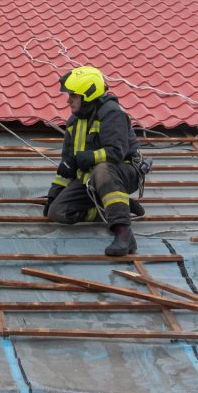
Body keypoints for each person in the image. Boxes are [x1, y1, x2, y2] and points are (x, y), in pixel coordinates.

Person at [44, 66, 147, 256]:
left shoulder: (112, 114)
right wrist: (54, 194)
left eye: (73, 95)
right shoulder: (74, 122)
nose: (68, 100)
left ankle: (124, 234)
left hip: (123, 173)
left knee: (102, 169)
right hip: (90, 180)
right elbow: (68, 162)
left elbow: (116, 153)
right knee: (58, 212)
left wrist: (88, 157)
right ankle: (114, 207)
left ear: (88, 94)